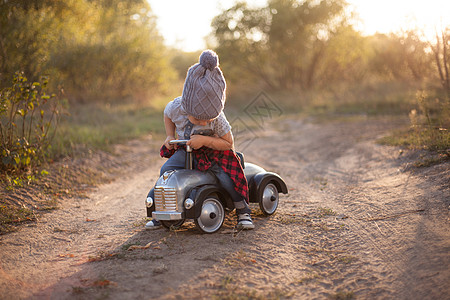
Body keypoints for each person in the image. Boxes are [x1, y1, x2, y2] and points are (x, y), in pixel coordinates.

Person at [145, 49, 254, 230]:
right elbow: (167, 115)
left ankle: (242, 210)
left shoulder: (218, 119)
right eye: (198, 118)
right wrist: (170, 135)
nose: (204, 122)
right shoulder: (176, 107)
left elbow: (229, 144)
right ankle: (162, 211)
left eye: (208, 119)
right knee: (166, 170)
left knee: (226, 178)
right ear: (186, 106)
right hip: (185, 151)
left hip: (214, 154)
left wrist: (206, 141)